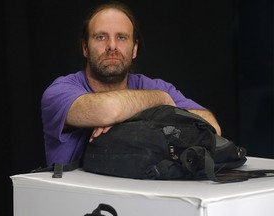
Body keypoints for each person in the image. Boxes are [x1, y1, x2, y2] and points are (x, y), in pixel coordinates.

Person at [41, 1, 221, 167]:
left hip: (140, 197)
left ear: (134, 49)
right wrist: (161, 100)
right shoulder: (59, 92)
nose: (112, 46)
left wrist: (137, 115)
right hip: (77, 200)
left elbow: (212, 128)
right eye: (101, 37)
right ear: (85, 48)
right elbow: (109, 110)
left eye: (121, 37)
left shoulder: (152, 86)